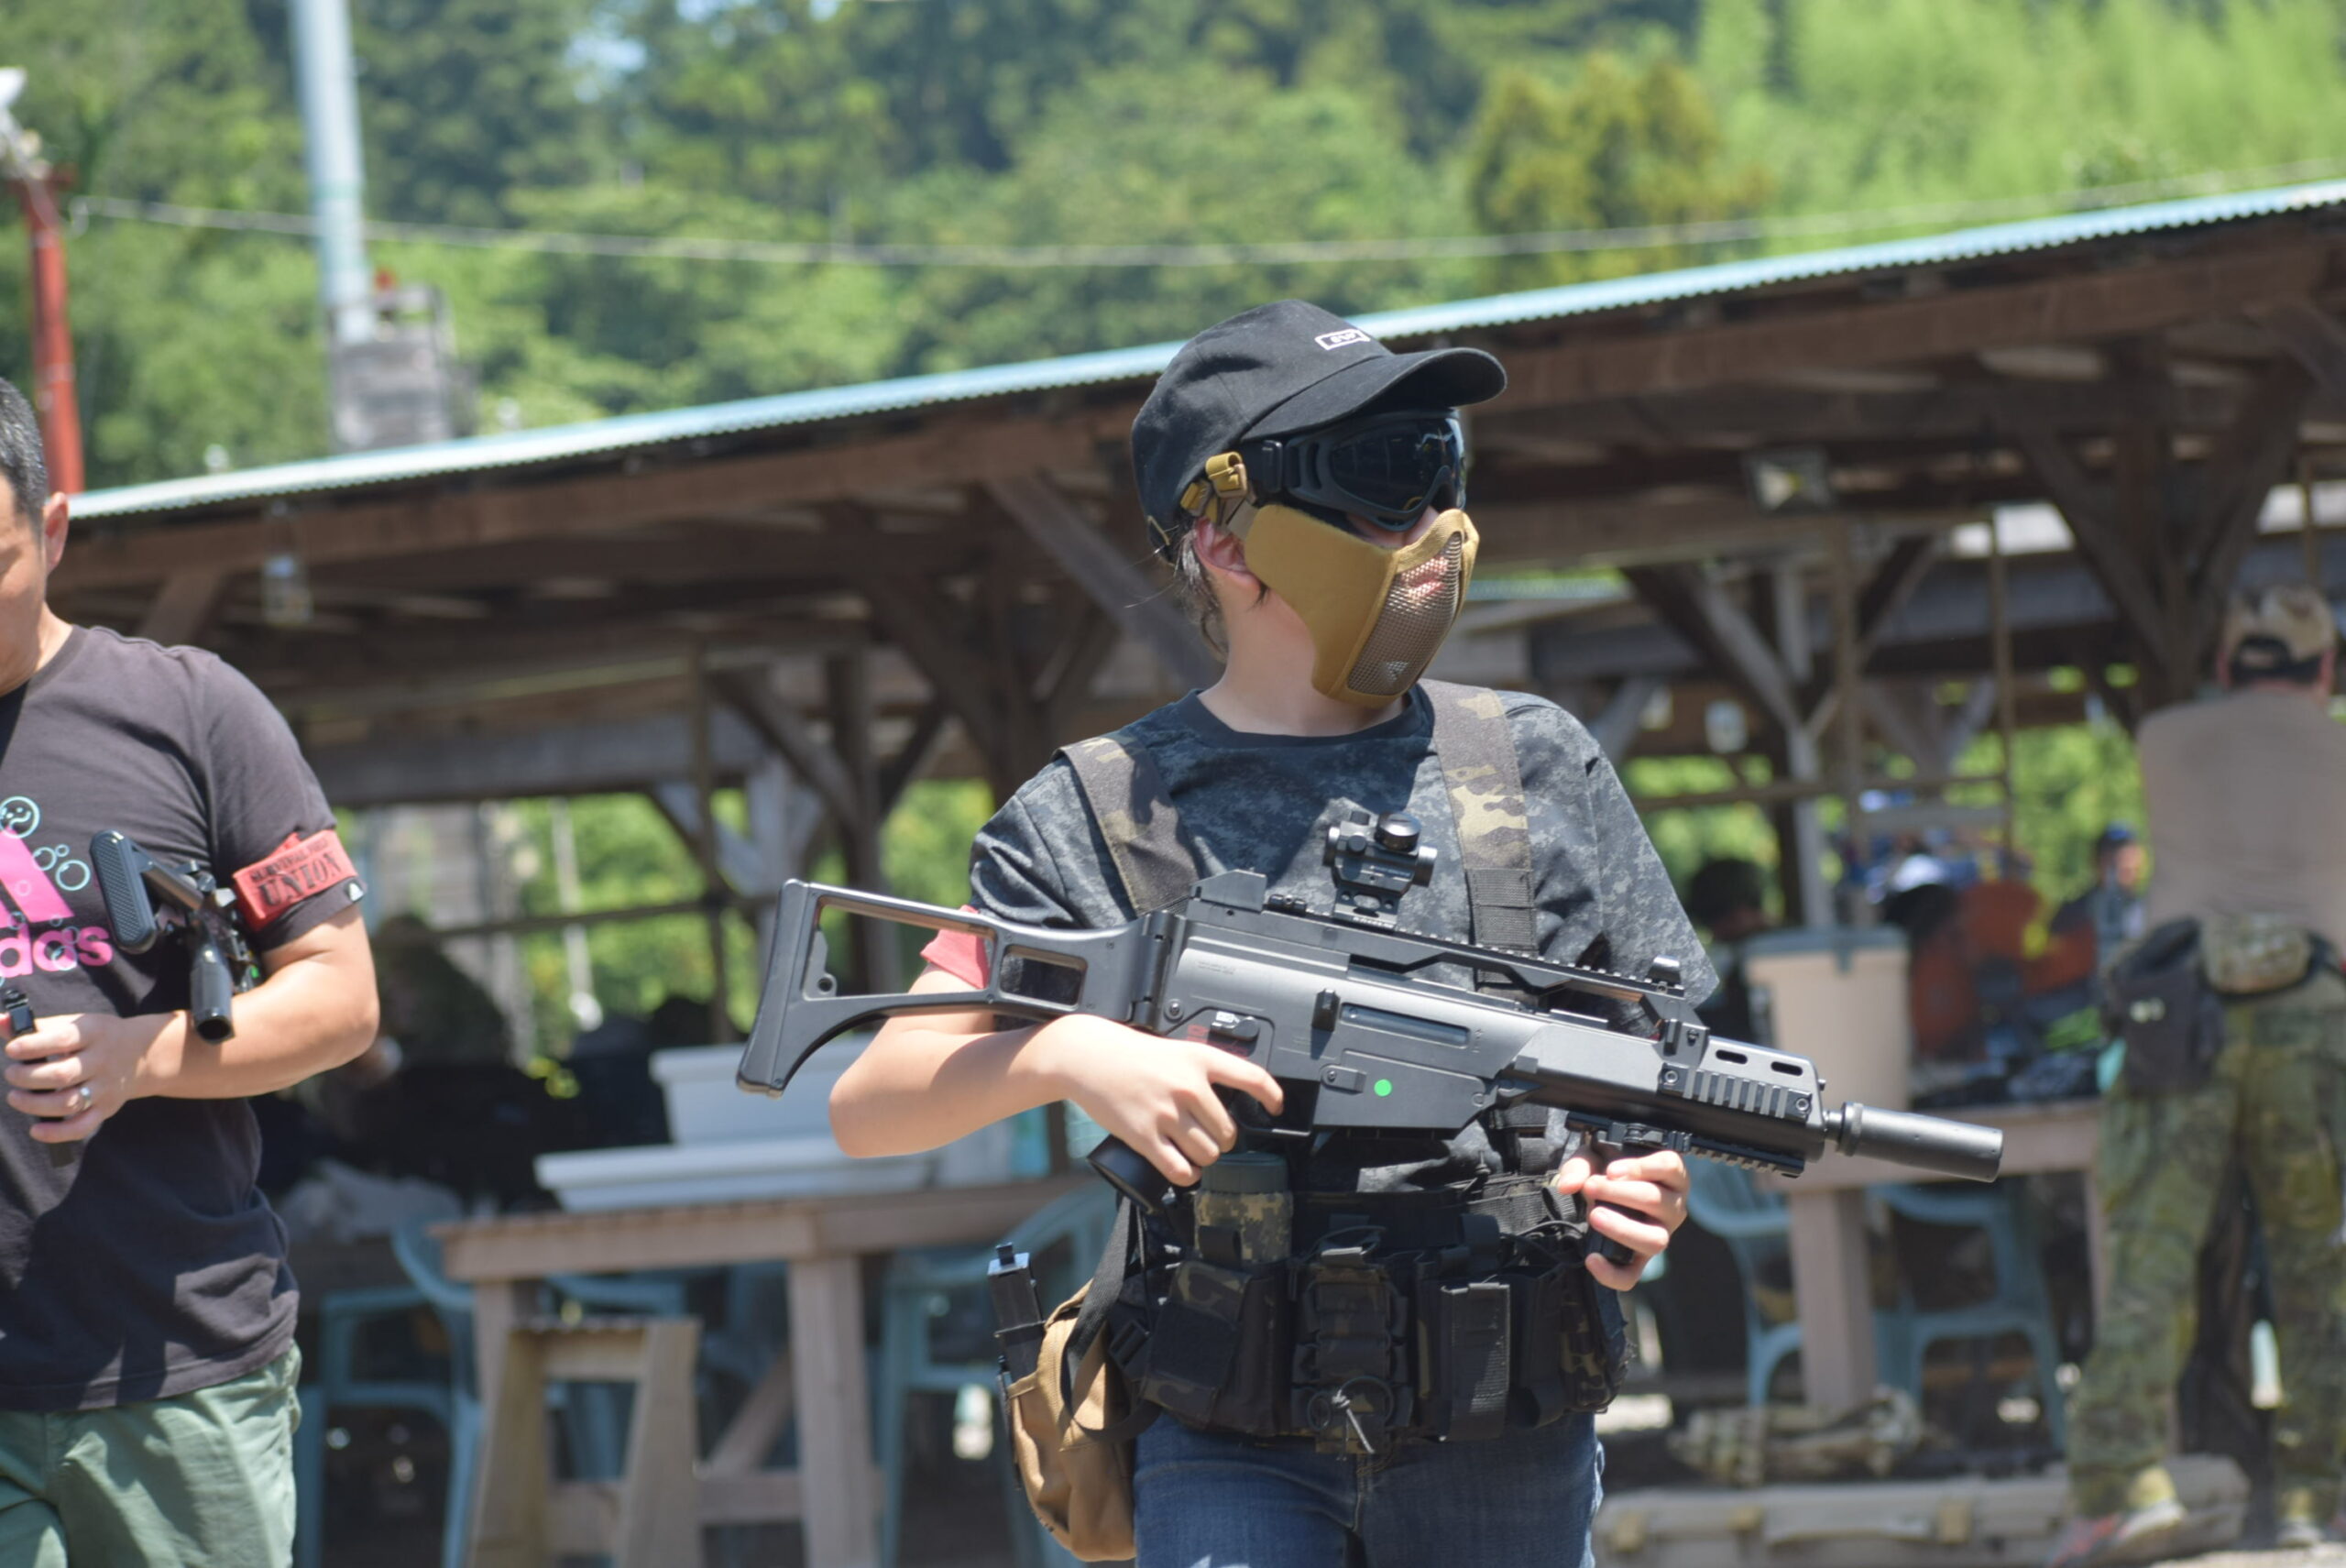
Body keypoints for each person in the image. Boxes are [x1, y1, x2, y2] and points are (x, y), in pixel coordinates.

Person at [831, 301, 1702, 1567]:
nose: (1431, 524)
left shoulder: (1532, 766)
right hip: (1228, 1429)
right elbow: (872, 1102)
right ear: (1224, 538)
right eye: (1381, 473)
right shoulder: (1102, 809)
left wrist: (1639, 1188)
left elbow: (1646, 1071)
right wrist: (1071, 1054)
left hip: (1506, 1422)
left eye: (1440, 464)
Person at [0, 378, 379, 1566]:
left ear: (53, 530)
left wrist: (140, 1056)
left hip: (172, 1362)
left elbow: (340, 998)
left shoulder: (190, 711)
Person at [2047, 585, 2346, 1566]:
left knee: (2151, 1258)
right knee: (2323, 1267)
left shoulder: (2165, 737)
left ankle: (2118, 1488)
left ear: (2223, 666)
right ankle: (2320, 1499)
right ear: (2325, 668)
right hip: (2316, 1013)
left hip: (2180, 1015)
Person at [2050, 823, 2147, 967]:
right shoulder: (2072, 913)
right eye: (2113, 864)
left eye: (2130, 868)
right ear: (2096, 861)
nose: (2121, 867)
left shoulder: (2149, 910)